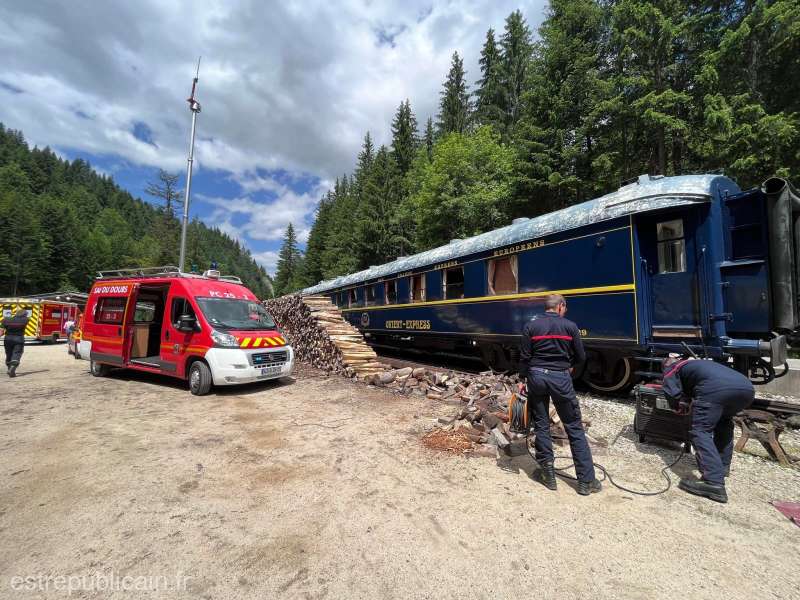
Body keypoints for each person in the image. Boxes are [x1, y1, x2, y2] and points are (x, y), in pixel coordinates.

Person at [518, 294, 601, 495]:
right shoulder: (570, 327)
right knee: (573, 426)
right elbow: (581, 356)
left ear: (546, 307)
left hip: (536, 377)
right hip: (560, 379)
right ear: (560, 306)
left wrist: (522, 380)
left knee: (542, 424)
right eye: (566, 307)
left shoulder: (531, 326)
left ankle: (548, 476)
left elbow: (525, 357)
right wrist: (569, 366)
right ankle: (586, 481)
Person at [662, 357, 755, 503]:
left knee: (700, 431)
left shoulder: (674, 367)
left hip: (716, 389)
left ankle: (713, 482)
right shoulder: (700, 363)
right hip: (746, 389)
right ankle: (721, 467)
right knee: (723, 423)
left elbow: (672, 392)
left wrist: (678, 407)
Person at [1, 308, 31, 377]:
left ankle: (10, 369)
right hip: (19, 338)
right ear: (24, 315)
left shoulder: (5, 320)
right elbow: (26, 318)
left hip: (7, 339)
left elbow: (1, 331)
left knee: (9, 354)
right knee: (17, 353)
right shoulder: (26, 320)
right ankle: (12, 368)